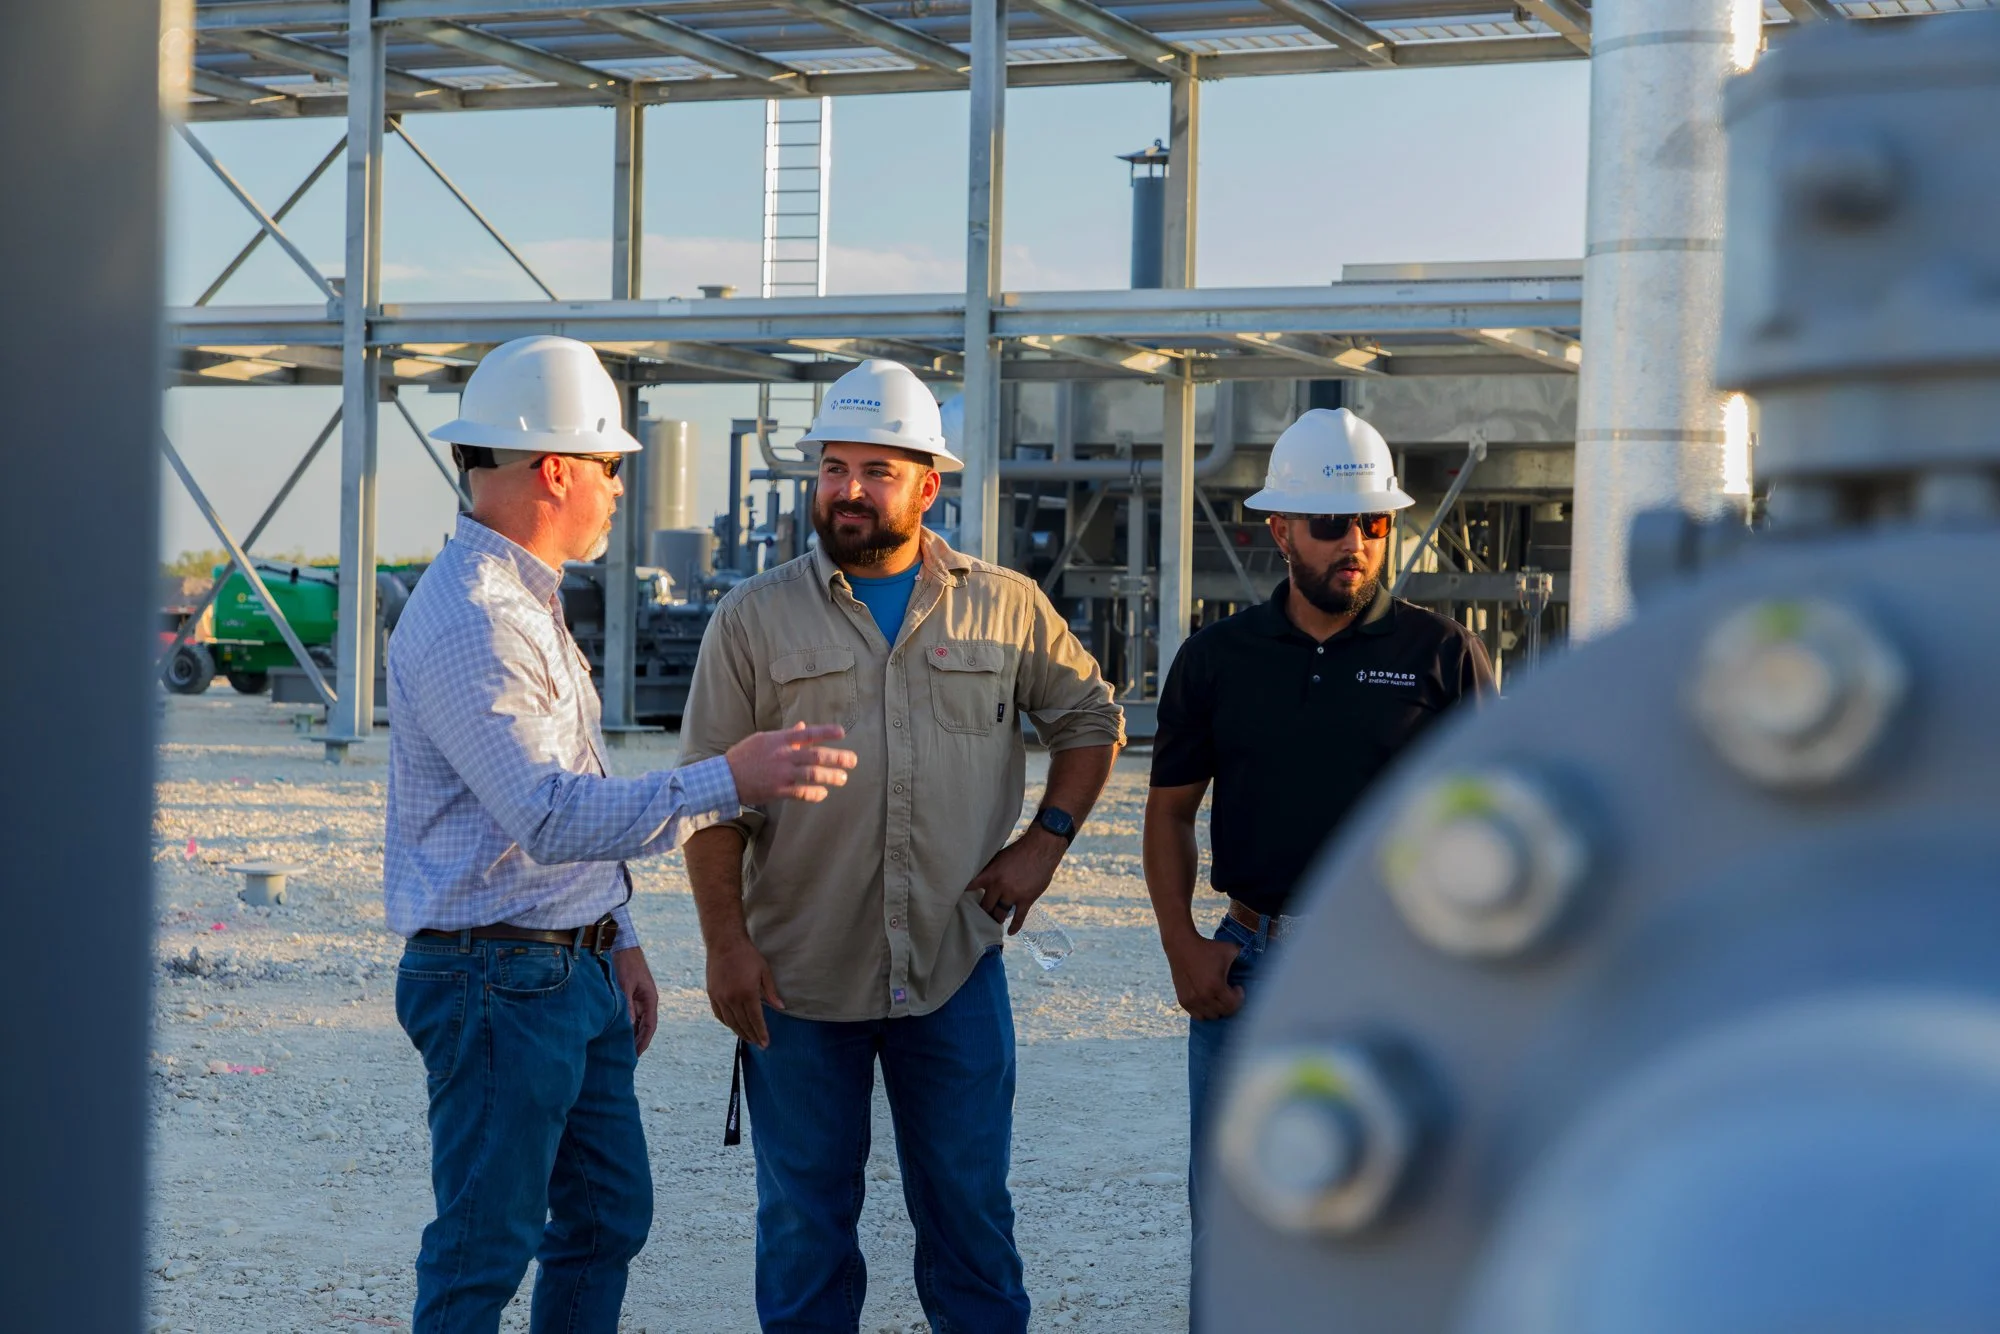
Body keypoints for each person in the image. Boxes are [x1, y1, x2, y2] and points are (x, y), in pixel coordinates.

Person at [386, 334, 860, 1334]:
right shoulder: (475, 616)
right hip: (496, 979)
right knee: (483, 1244)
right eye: (608, 466)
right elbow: (549, 814)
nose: (615, 488)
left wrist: (621, 935)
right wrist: (727, 776)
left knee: (605, 1215)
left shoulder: (528, 598)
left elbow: (574, 781)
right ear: (555, 469)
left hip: (564, 968)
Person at [678, 359, 1125, 1333]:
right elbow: (708, 797)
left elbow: (1090, 717)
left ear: (929, 483)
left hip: (952, 967)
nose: (847, 488)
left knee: (968, 1220)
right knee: (803, 1233)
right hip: (796, 976)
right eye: (833, 467)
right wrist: (724, 943)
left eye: (876, 470)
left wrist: (1044, 842)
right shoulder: (752, 618)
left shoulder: (1002, 606)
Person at [1141, 407, 1496, 1288]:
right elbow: (1169, 811)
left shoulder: (1441, 655)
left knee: (1394, 1213)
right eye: (1332, 524)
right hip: (1251, 964)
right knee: (1234, 1218)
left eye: (1374, 522)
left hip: (1397, 966)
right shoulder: (1219, 658)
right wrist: (1184, 946)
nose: (1357, 543)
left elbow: (1487, 823)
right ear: (1280, 532)